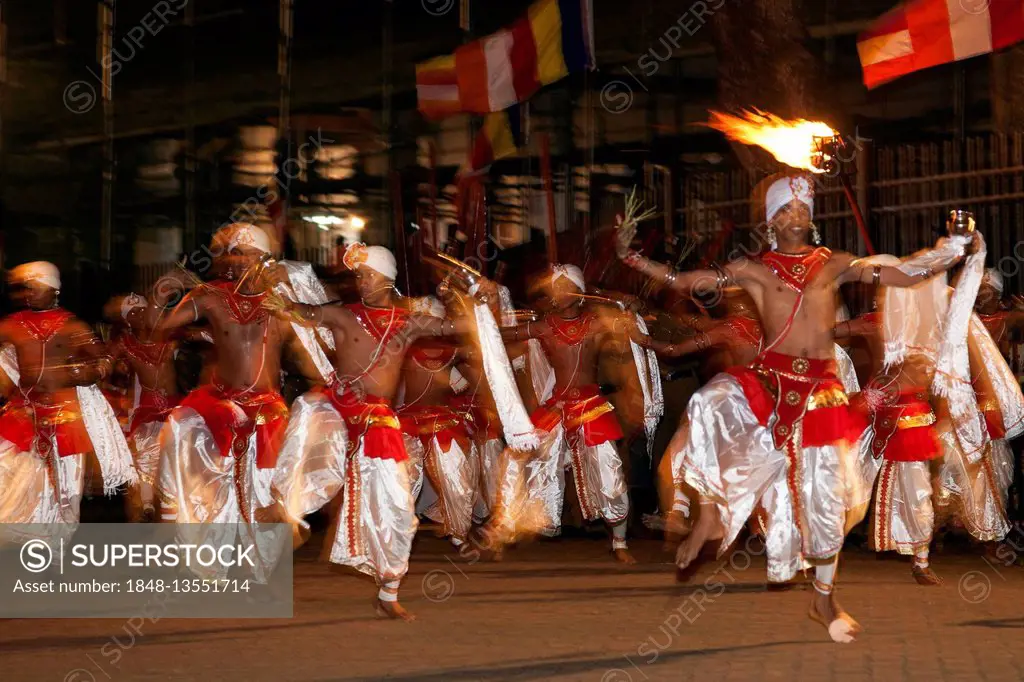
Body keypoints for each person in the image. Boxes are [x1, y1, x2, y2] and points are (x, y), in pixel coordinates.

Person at [620, 173, 982, 642]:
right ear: (770, 221)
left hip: (822, 393)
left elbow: (905, 273)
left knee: (825, 500)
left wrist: (952, 248)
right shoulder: (754, 268)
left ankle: (825, 598)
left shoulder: (835, 264)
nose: (797, 215)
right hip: (770, 380)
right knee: (709, 403)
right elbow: (686, 280)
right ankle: (709, 511)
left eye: (803, 207)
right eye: (785, 209)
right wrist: (634, 258)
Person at [272, 244, 526, 620]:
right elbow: (303, 313)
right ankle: (288, 509)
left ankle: (388, 592)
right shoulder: (343, 315)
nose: (360, 282)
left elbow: (457, 327)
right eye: (357, 276)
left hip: (379, 420)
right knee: (307, 419)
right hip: (337, 407)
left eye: (367, 275)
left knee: (397, 505)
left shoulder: (408, 322)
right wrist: (275, 292)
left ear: (387, 277)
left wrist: (481, 301)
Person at [151, 224, 294, 581]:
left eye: (249, 254)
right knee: (179, 430)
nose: (241, 260)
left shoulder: (282, 297)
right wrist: (160, 296)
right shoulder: (210, 295)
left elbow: (318, 332)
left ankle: (258, 563)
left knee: (265, 491)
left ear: (265, 259)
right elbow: (161, 326)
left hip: (267, 405)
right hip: (219, 402)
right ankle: (182, 530)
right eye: (235, 253)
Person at [492, 264, 656, 564]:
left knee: (609, 471)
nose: (557, 290)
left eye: (564, 285)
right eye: (555, 286)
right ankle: (507, 526)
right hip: (556, 407)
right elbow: (504, 335)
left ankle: (619, 542)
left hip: (592, 406)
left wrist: (628, 303)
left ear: (578, 292)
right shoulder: (543, 326)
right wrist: (482, 319)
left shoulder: (597, 323)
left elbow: (637, 315)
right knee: (519, 456)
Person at [0, 262, 135, 543]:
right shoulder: (12, 325)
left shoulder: (72, 326)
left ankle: (56, 549)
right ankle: (27, 538)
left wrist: (89, 372)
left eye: (34, 287)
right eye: (25, 287)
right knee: (11, 476)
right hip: (24, 413)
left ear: (54, 289)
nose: (28, 294)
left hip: (65, 416)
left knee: (66, 490)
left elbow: (103, 359)